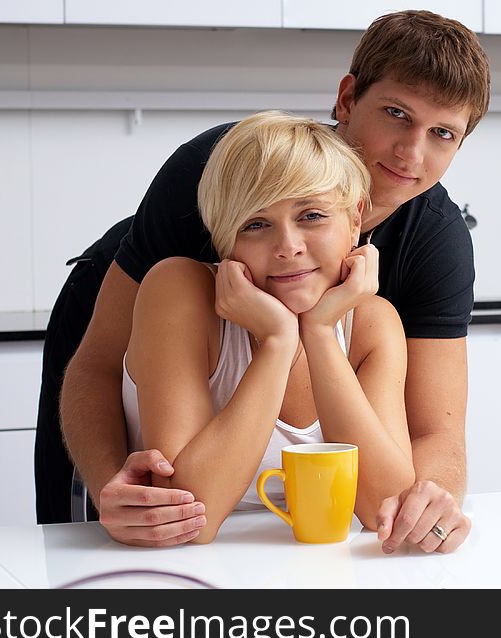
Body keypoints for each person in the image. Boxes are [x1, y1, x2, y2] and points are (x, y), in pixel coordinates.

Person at [36, 9, 490, 553]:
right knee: (108, 529)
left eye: (443, 133)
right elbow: (98, 364)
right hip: (127, 318)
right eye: (396, 114)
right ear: (347, 100)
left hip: (292, 361)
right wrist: (111, 484)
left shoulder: (431, 244)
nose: (411, 153)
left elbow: (435, 431)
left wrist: (426, 505)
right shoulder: (221, 171)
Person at [122, 112, 415, 542]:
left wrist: (317, 333)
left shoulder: (372, 322)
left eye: (312, 215)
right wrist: (279, 341)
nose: (288, 248)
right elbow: (188, 515)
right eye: (255, 224)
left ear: (355, 220)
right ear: (225, 240)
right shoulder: (178, 291)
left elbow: (386, 510)